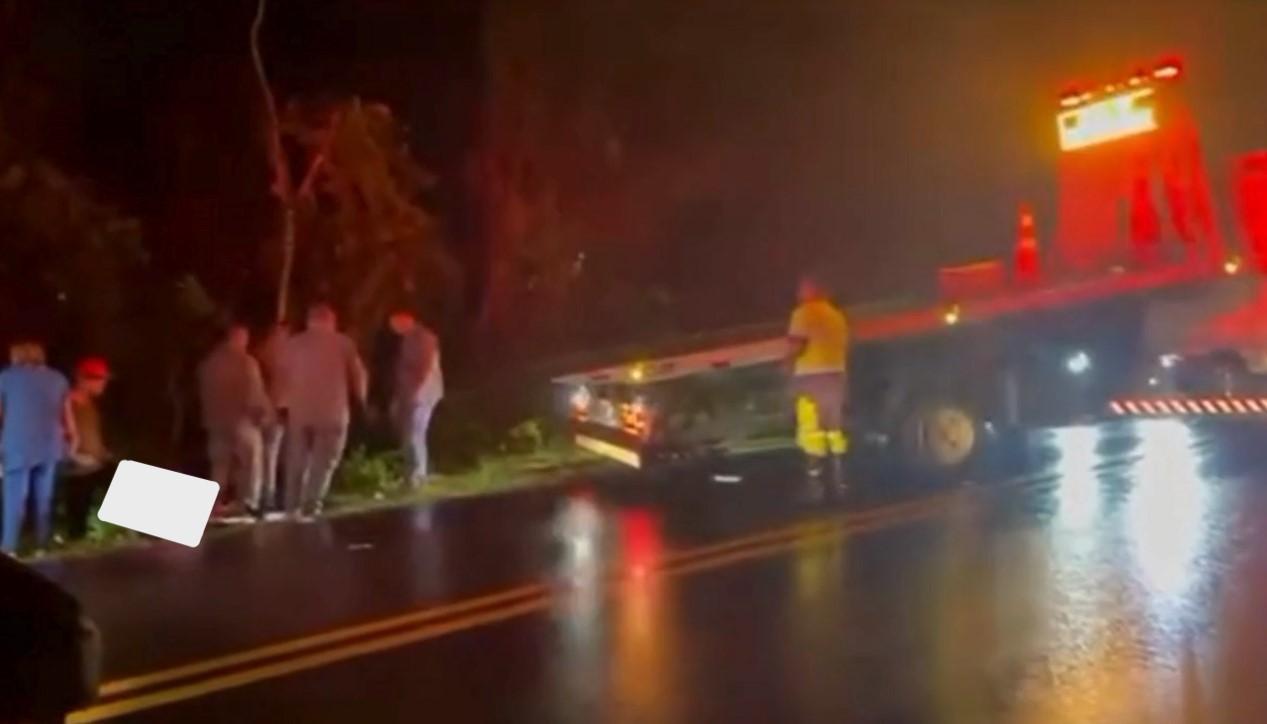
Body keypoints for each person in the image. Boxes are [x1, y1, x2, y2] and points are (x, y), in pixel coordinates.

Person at [279, 304, 368, 519]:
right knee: (325, 458)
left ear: (310, 321)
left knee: (297, 458)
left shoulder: (292, 344)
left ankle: (292, 505)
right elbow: (358, 375)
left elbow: (281, 377)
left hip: (299, 410)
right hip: (332, 411)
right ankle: (312, 502)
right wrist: (361, 400)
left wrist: (281, 404)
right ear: (331, 321)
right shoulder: (343, 343)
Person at [0, 340, 77, 554]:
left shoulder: (7, 378)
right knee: (44, 497)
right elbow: (66, 415)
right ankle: (43, 544)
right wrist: (72, 439)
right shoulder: (57, 379)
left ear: (16, 357)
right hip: (50, 444)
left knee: (15, 497)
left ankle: (9, 547)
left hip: (17, 444)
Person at [197, 323, 273, 519]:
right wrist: (264, 416)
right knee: (251, 461)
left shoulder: (209, 363)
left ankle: (215, 504)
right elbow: (255, 394)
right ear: (239, 338)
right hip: (241, 421)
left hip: (215, 422)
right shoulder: (246, 363)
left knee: (220, 465)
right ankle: (248, 502)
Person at [786, 276, 850, 500]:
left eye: (802, 288)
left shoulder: (803, 313)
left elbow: (797, 345)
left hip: (811, 378)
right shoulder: (837, 315)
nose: (798, 293)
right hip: (836, 376)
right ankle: (839, 482)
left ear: (812, 290)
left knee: (811, 433)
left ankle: (815, 488)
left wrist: (785, 366)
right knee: (834, 430)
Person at [387, 309, 444, 488]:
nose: (393, 327)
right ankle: (414, 472)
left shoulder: (423, 337)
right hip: (411, 392)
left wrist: (414, 391)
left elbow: (425, 366)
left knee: (414, 432)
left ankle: (417, 474)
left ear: (406, 318)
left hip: (422, 392)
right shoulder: (408, 338)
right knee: (411, 433)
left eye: (395, 322)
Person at [62, 357, 117, 541]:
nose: (103, 385)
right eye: (100, 380)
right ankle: (75, 539)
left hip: (96, 462)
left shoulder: (90, 403)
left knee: (126, 483)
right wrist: (73, 455)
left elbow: (91, 433)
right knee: (78, 507)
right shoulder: (68, 402)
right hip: (78, 466)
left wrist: (102, 452)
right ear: (84, 380)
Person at [253, 321, 290, 513]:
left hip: (275, 408)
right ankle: (270, 496)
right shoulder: (287, 351)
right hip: (279, 408)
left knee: (271, 455)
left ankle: (268, 494)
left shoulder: (264, 352)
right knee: (273, 454)